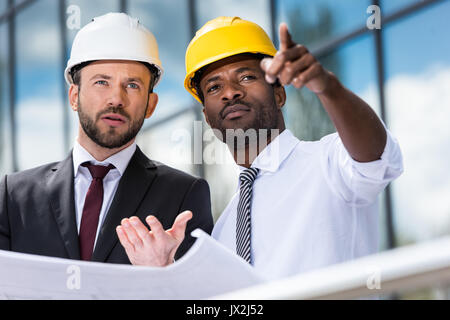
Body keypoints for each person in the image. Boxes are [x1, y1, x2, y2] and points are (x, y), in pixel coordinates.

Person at [116, 17, 403, 279]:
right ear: (206, 117)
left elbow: (376, 157)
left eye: (246, 77)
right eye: (214, 87)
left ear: (279, 94)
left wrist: (326, 86)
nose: (230, 92)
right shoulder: (224, 228)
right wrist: (165, 275)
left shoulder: (330, 163)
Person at [0, 13, 213, 264]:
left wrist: (165, 275)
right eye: (102, 82)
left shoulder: (183, 195)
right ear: (73, 96)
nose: (116, 99)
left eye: (132, 85)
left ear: (150, 105)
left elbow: (202, 299)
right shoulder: (13, 196)